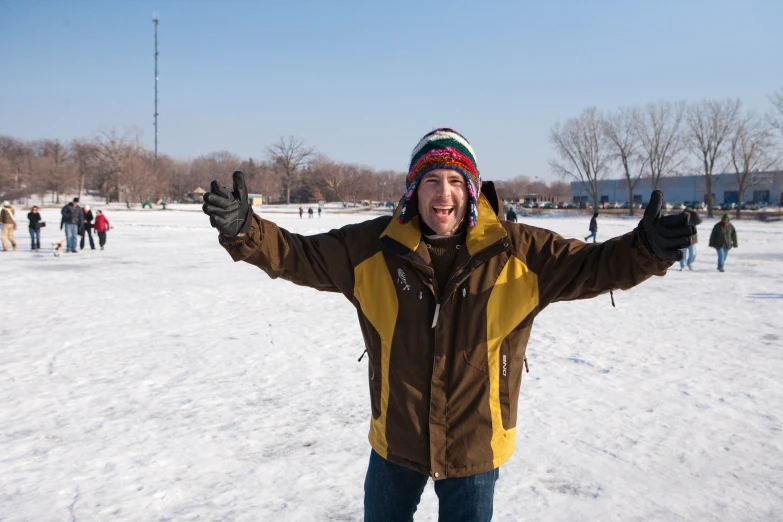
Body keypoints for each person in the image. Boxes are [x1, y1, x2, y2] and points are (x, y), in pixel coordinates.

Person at [202, 128, 695, 521]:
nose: (444, 194)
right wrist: (247, 230)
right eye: (433, 181)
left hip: (475, 444)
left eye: (456, 182)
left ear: (473, 191)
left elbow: (596, 266)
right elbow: (298, 255)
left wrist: (646, 250)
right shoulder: (372, 248)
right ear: (414, 190)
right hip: (396, 439)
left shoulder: (519, 252)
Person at [679, 206, 702, 271]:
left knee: (693, 254)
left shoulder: (693, 220)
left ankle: (689, 263)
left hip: (692, 240)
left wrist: (695, 213)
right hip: (683, 240)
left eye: (689, 213)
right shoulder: (680, 220)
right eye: (686, 213)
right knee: (683, 254)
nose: (687, 214)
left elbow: (699, 221)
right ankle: (682, 266)